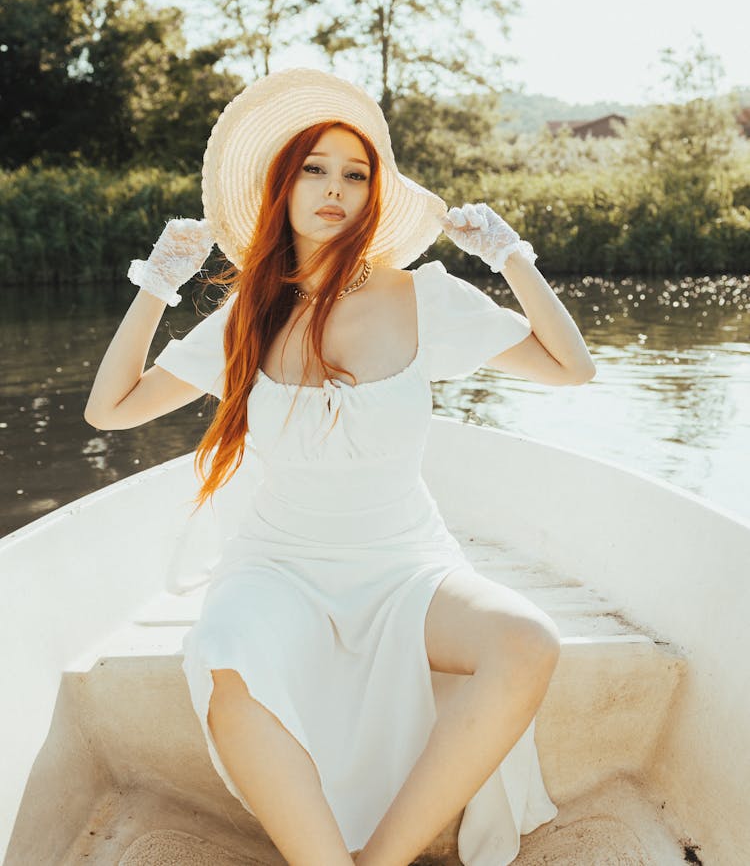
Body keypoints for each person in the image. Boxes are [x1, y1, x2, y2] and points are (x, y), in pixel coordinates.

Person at [84, 67, 596, 866]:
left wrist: (510, 257)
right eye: (314, 169)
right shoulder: (244, 319)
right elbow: (110, 408)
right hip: (278, 566)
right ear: (280, 189)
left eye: (355, 174)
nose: (336, 188)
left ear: (374, 194)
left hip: (404, 565)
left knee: (527, 641)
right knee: (226, 657)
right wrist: (157, 284)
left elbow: (572, 367)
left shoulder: (421, 297)